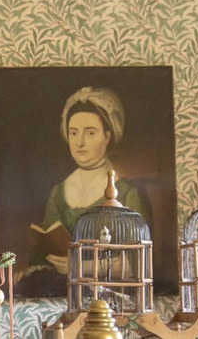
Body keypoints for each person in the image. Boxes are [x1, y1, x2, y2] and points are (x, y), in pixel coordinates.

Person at [32, 86, 152, 275]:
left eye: (90, 133)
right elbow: (45, 255)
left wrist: (81, 267)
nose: (80, 143)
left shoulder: (129, 193)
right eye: (73, 133)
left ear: (107, 136)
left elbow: (139, 262)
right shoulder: (59, 192)